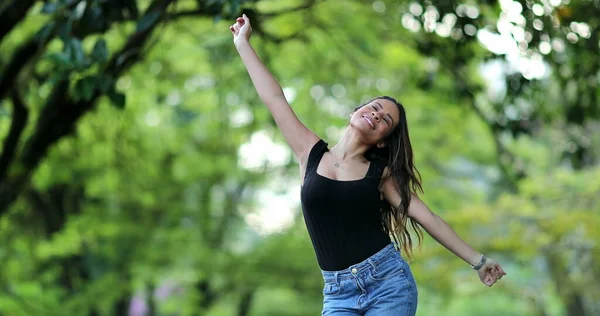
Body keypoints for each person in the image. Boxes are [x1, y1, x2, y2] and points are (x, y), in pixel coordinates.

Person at [230, 14, 506, 316]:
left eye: (385, 119)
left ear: (383, 141)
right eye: (373, 107)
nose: (376, 115)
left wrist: (479, 262)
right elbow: (274, 98)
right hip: (336, 294)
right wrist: (242, 43)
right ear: (356, 111)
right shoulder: (309, 153)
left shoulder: (380, 176)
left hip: (387, 284)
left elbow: (429, 218)